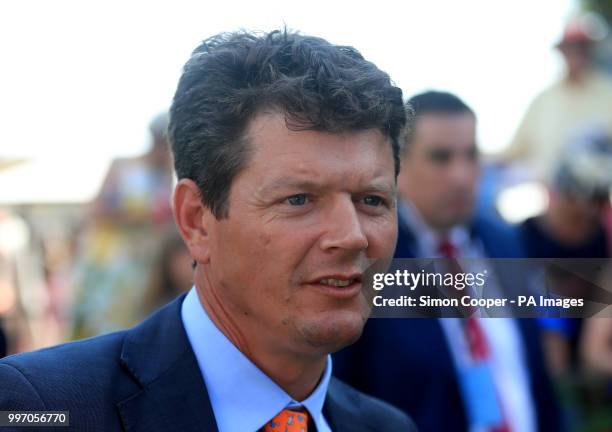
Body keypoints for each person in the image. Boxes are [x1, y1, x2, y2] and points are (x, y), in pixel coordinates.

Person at [0, 30, 416, 431]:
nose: (352, 236)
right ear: (196, 220)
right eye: (299, 200)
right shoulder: (42, 409)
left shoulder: (389, 426)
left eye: (372, 201)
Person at [334, 91, 561, 432]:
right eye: (441, 158)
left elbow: (537, 378)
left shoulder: (505, 242)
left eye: (471, 156)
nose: (462, 175)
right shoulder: (369, 259)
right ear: (398, 166)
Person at [504, 15, 612, 182]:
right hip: (550, 200)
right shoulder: (543, 100)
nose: (577, 54)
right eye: (571, 48)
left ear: (590, 51)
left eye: (582, 48)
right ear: (562, 51)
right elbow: (514, 150)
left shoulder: (608, 94)